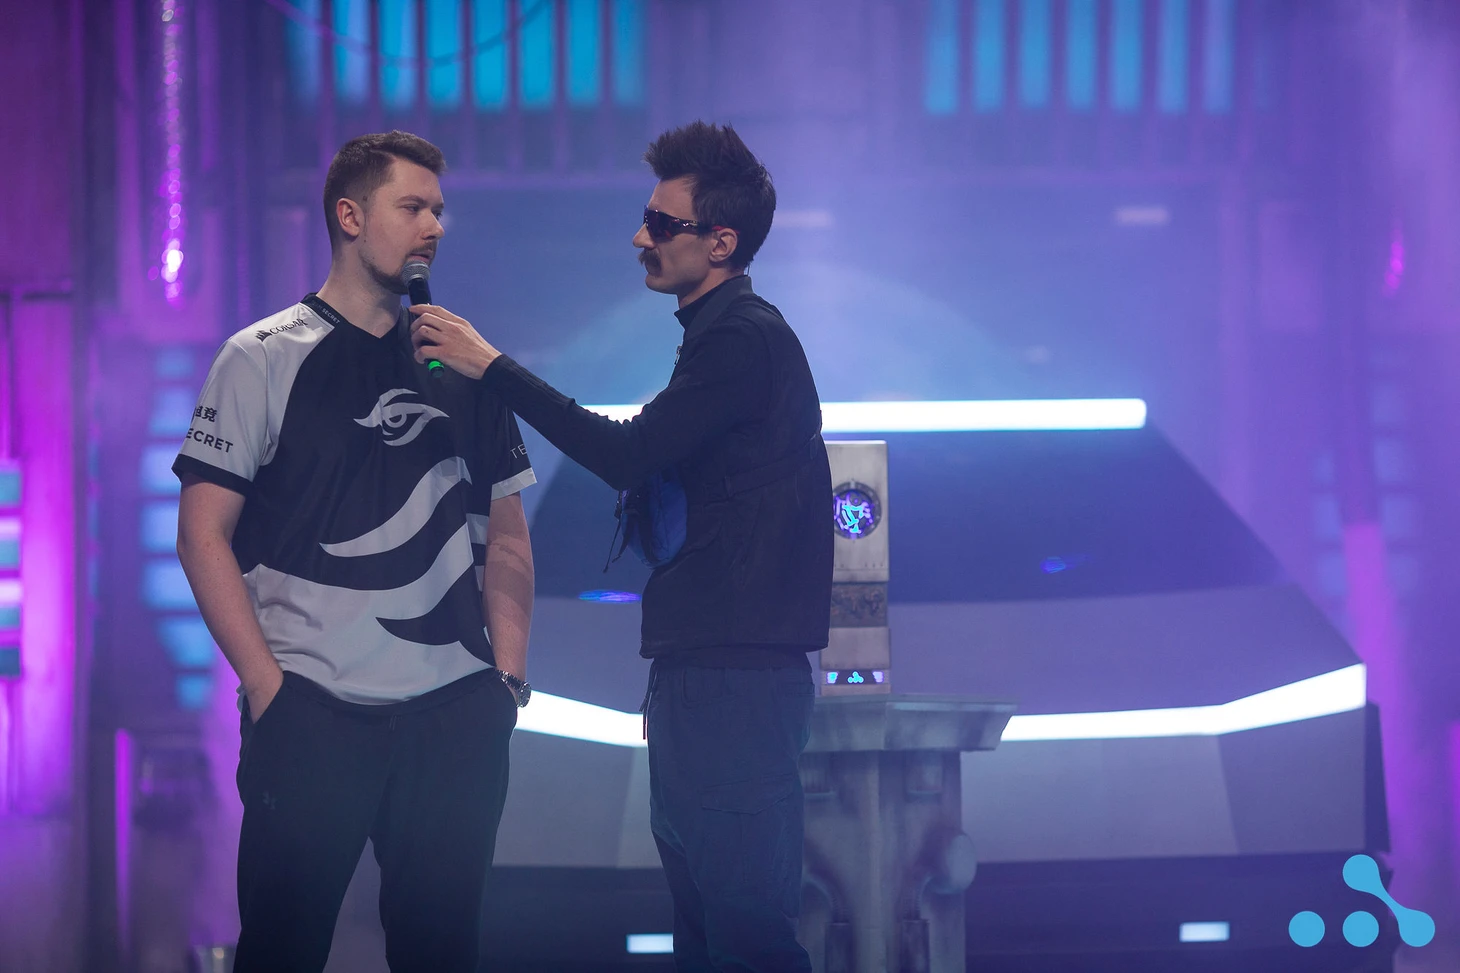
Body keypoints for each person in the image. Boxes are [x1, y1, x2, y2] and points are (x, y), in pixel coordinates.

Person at [411, 121, 831, 972]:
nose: (641, 238)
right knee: (708, 935)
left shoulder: (745, 338)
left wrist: (491, 366)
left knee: (745, 937)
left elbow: (627, 452)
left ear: (721, 242)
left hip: (734, 681)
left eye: (662, 224)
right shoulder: (717, 339)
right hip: (705, 674)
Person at [173, 130, 536, 973]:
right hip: (312, 712)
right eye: (412, 207)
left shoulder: (468, 364)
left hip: (455, 718)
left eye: (438, 210)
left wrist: (505, 682)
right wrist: (268, 688)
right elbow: (200, 534)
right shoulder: (262, 356)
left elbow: (509, 533)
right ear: (349, 215)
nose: (433, 226)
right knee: (281, 953)